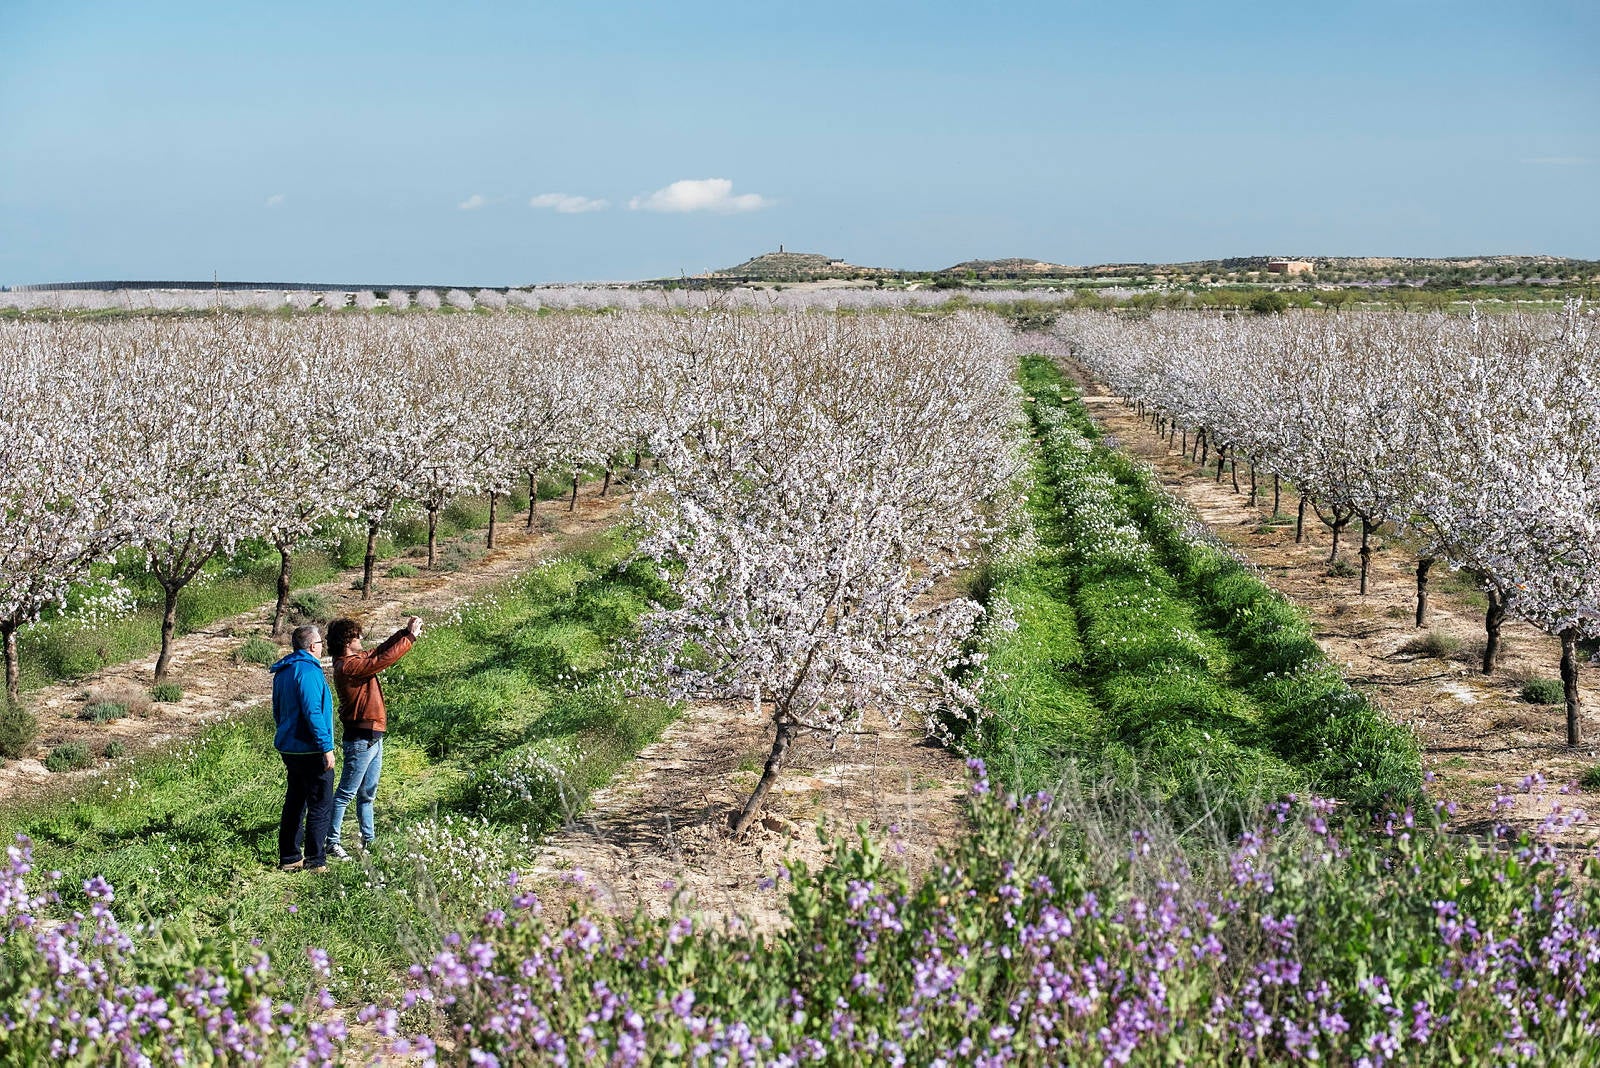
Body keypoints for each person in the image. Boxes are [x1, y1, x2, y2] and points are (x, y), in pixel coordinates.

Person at [324, 614, 422, 858]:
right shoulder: (348, 666)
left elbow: (378, 651)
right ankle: (331, 842)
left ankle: (370, 841)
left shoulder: (354, 659)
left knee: (367, 793)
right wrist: (409, 638)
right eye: (357, 636)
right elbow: (382, 660)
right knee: (346, 793)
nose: (361, 639)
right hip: (361, 738)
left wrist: (404, 633)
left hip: (372, 736)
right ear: (348, 641)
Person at [270, 624, 336, 872]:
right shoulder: (308, 672)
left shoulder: (283, 671)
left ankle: (289, 857)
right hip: (310, 748)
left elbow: (277, 710)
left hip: (290, 748)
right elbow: (313, 712)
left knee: (295, 801)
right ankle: (315, 860)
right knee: (320, 802)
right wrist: (326, 747)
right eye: (320, 644)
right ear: (311, 646)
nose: (322, 648)